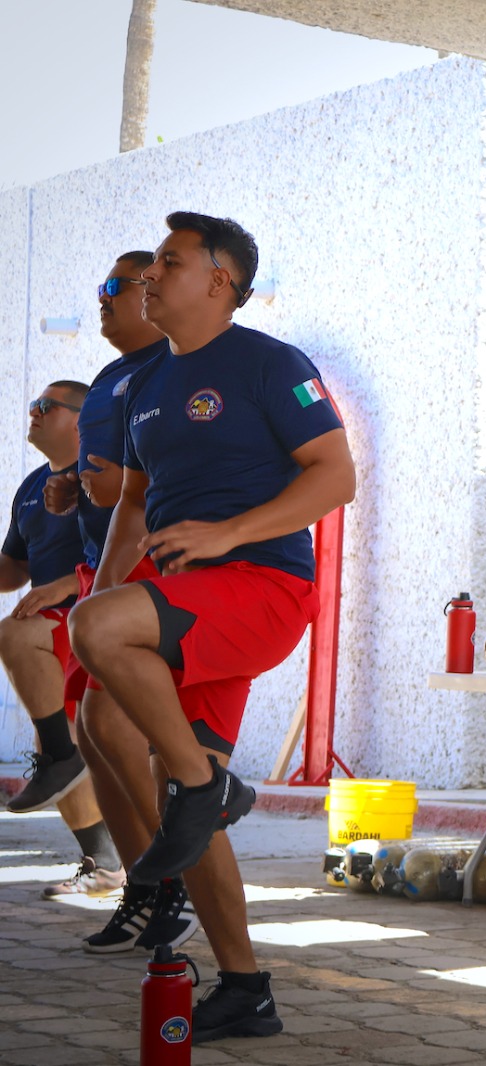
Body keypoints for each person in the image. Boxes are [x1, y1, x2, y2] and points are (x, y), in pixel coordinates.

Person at [70, 211, 355, 1042]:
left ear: (219, 282)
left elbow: (336, 476)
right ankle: (245, 987)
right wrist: (116, 594)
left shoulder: (270, 363)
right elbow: (129, 500)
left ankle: (202, 787)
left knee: (166, 758)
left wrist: (228, 535)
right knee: (109, 721)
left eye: (169, 261)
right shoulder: (149, 382)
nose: (148, 275)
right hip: (182, 590)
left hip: (260, 584)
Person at [42, 251, 204, 953]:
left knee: (114, 723)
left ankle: (172, 883)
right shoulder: (112, 378)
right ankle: (143, 884)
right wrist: (71, 486)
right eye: (100, 285)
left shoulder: (178, 370)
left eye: (116, 286)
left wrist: (103, 489)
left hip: (156, 575)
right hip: (99, 570)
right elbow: (105, 484)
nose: (102, 297)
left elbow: (138, 490)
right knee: (93, 733)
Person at [0, 381, 122, 897]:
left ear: (79, 419)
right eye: (32, 405)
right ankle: (107, 867)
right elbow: (13, 570)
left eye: (46, 406)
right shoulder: (31, 486)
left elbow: (129, 545)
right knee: (61, 748)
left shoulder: (106, 477)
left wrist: (68, 583)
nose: (33, 412)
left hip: (94, 618)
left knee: (12, 633)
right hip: (55, 623)